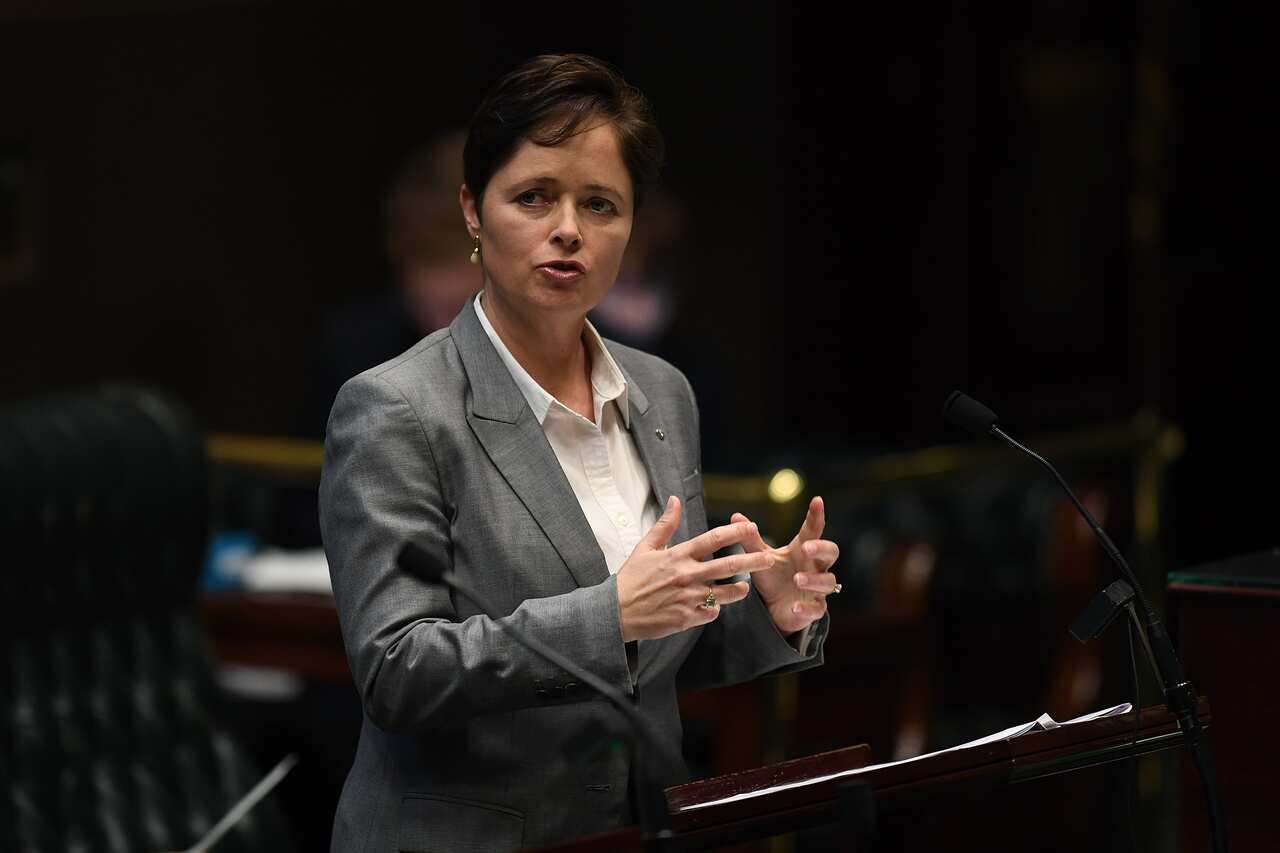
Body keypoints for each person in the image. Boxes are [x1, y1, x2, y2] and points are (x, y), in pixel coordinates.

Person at [319, 54, 841, 852]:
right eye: (534, 197)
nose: (569, 228)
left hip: (638, 826)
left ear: (630, 227)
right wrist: (607, 616)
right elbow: (396, 670)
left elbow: (647, 658)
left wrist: (769, 609)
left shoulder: (663, 392)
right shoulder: (396, 406)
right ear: (471, 209)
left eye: (600, 204)